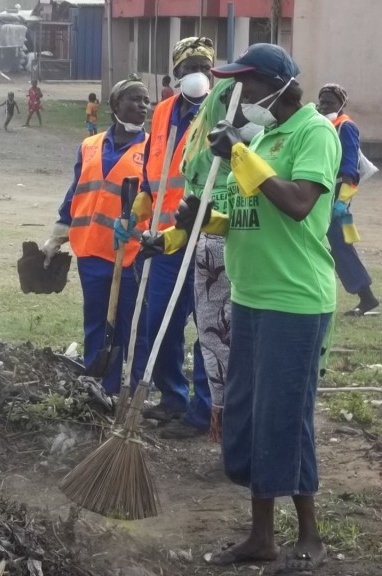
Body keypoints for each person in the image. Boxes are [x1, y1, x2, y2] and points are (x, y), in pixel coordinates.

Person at [144, 43, 337, 573]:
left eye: (244, 85)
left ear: (275, 85)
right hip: (249, 298)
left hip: (295, 301)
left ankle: (310, 536)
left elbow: (297, 204)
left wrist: (239, 155)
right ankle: (260, 538)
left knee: (286, 417)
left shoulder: (312, 132)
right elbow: (231, 218)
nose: (234, 96)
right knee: (250, 418)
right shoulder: (259, 136)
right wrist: (180, 227)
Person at [120, 37, 214, 439]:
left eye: (203, 66)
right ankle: (173, 395)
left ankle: (203, 410)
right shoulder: (161, 113)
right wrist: (139, 206)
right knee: (159, 320)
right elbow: (152, 174)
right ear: (175, 74)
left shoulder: (222, 109)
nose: (196, 73)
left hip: (208, 234)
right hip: (164, 238)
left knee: (209, 326)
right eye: (189, 66)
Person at [41, 75, 149, 394]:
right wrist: (57, 236)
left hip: (129, 254)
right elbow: (76, 193)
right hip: (91, 252)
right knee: (96, 325)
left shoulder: (153, 149)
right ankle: (98, 385)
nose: (143, 106)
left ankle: (133, 389)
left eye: (146, 101)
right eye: (135, 99)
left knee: (132, 327)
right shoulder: (89, 146)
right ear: (116, 104)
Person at [177, 78, 263, 441]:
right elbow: (209, 212)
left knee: (243, 350)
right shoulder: (206, 150)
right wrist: (182, 230)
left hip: (252, 262)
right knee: (214, 344)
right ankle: (228, 430)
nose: (242, 104)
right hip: (211, 255)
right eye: (230, 98)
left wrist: (239, 153)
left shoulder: (262, 144)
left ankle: (247, 430)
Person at [317, 83, 378, 316]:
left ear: (341, 104)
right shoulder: (323, 123)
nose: (324, 106)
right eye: (322, 102)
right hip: (323, 188)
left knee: (338, 243)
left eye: (329, 102)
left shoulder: (346, 126)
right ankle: (363, 295)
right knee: (331, 243)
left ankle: (366, 296)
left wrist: (342, 202)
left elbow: (351, 168)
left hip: (338, 191)